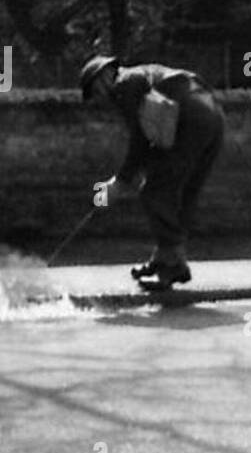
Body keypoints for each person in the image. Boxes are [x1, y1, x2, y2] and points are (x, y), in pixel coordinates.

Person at [79, 55, 226, 286]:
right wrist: (133, 174)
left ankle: (173, 264)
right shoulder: (141, 76)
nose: (99, 98)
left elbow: (139, 140)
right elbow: (151, 137)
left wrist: (120, 181)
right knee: (184, 192)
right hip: (212, 114)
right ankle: (164, 257)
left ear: (105, 75)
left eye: (96, 91)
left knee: (154, 192)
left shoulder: (124, 84)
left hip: (188, 117)